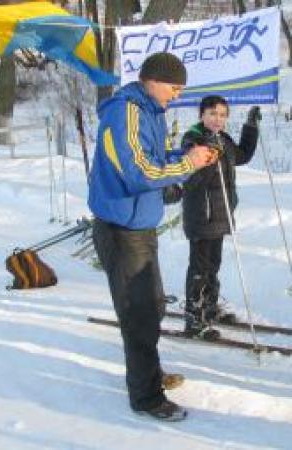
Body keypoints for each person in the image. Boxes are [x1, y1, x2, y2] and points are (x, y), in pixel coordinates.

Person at [88, 52, 217, 422]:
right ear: (154, 80)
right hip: (121, 229)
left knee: (154, 306)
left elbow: (154, 158)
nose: (177, 95)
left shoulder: (152, 112)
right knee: (139, 313)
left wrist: (187, 155)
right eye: (175, 87)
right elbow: (139, 172)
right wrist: (186, 166)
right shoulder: (125, 111)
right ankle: (146, 397)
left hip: (141, 225)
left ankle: (148, 372)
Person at [181, 95, 260, 340]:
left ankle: (210, 307)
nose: (218, 119)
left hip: (220, 214)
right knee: (200, 268)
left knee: (212, 266)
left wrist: (251, 127)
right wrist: (206, 159)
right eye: (213, 114)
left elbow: (242, 156)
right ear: (201, 115)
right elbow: (190, 180)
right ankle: (194, 318)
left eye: (223, 115)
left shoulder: (222, 139)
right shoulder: (193, 139)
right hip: (201, 214)